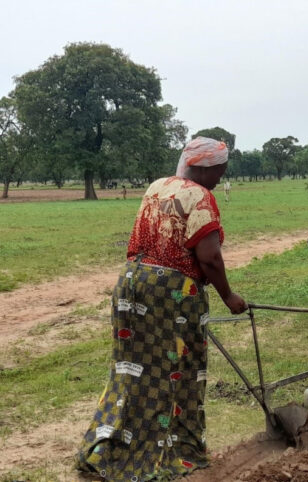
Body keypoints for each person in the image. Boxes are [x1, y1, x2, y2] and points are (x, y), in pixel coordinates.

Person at [75, 137, 247, 481]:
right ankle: (171, 451)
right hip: (172, 294)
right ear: (201, 167)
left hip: (131, 284)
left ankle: (108, 447)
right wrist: (230, 297)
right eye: (218, 172)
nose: (218, 179)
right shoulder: (200, 196)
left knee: (131, 371)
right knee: (176, 372)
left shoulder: (158, 186)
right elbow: (209, 257)